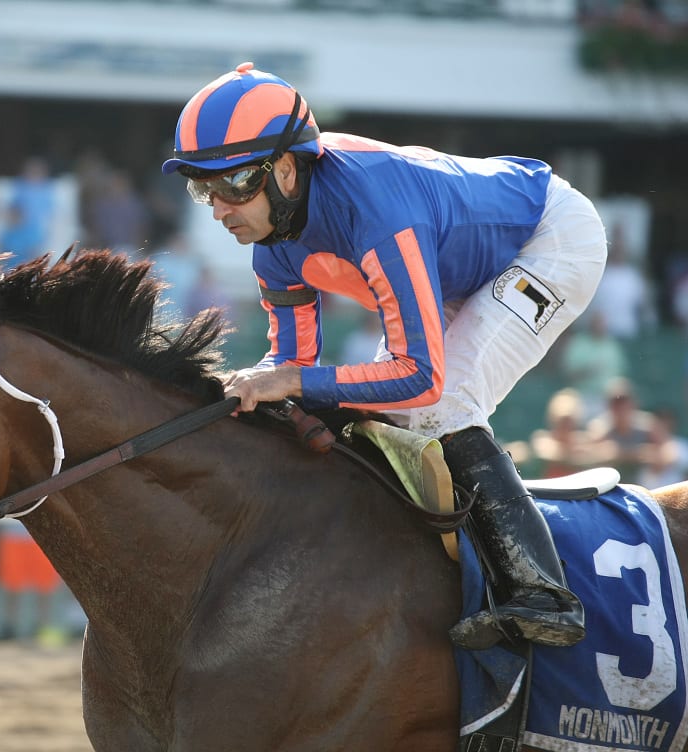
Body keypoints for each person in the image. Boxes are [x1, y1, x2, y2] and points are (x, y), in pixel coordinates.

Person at [163, 62, 608, 650]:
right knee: (375, 410)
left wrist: (290, 381)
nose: (219, 208)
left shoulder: (374, 209)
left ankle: (543, 593)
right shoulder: (272, 243)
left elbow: (419, 377)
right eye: (204, 188)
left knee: (437, 400)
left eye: (236, 182)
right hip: (459, 267)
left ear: (288, 170)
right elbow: (290, 373)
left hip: (549, 238)